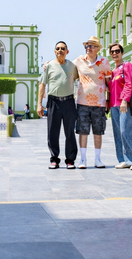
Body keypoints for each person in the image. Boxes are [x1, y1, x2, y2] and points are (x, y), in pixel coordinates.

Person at [38, 41, 79, 169]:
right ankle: (54, 159)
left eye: (63, 48)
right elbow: (42, 85)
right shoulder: (49, 66)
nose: (60, 50)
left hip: (69, 102)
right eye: (58, 48)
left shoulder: (72, 66)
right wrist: (39, 104)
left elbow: (80, 79)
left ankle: (70, 160)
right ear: (55, 51)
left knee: (70, 132)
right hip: (53, 102)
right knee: (52, 132)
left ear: (67, 51)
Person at [73, 36, 112, 169]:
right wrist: (48, 63)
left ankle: (97, 159)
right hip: (82, 102)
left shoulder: (104, 62)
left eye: (91, 46)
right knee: (83, 132)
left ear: (97, 49)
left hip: (99, 103)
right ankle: (83, 160)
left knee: (98, 132)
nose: (88, 48)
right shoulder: (79, 60)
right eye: (87, 46)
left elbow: (108, 83)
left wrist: (108, 100)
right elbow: (66, 66)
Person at [108, 43, 132, 170]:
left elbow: (129, 83)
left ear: (122, 53)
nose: (114, 53)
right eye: (112, 52)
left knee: (126, 131)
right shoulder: (113, 71)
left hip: (125, 105)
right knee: (118, 134)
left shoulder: (127, 66)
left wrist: (124, 100)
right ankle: (123, 159)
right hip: (114, 106)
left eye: (117, 51)